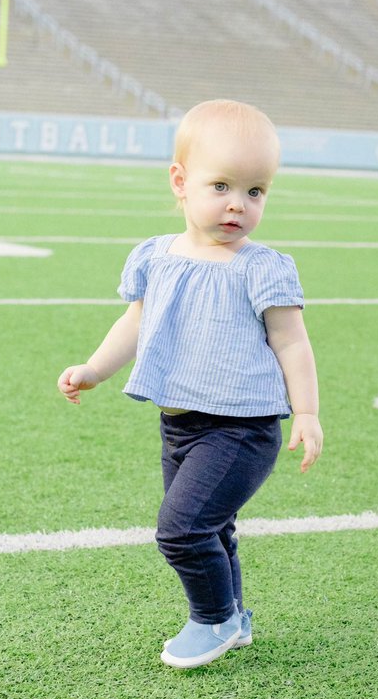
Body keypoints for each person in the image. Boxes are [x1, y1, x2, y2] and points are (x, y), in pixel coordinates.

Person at [57, 99, 323, 669]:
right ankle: (235, 616)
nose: (238, 204)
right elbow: (135, 322)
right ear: (180, 182)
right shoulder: (156, 256)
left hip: (242, 429)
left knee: (180, 530)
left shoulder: (263, 267)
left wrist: (306, 412)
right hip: (179, 424)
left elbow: (293, 342)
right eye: (222, 185)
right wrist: (94, 369)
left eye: (255, 192)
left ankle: (214, 620)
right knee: (214, 527)